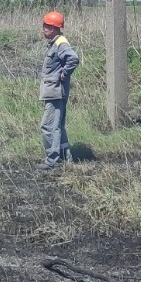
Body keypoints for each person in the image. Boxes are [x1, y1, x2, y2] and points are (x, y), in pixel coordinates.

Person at [39, 10, 80, 169]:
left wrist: (64, 73)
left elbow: (73, 58)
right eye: (44, 25)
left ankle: (53, 161)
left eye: (48, 26)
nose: (44, 28)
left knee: (48, 126)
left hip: (55, 91)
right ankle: (64, 158)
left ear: (56, 28)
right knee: (58, 126)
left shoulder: (60, 43)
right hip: (53, 91)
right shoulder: (56, 42)